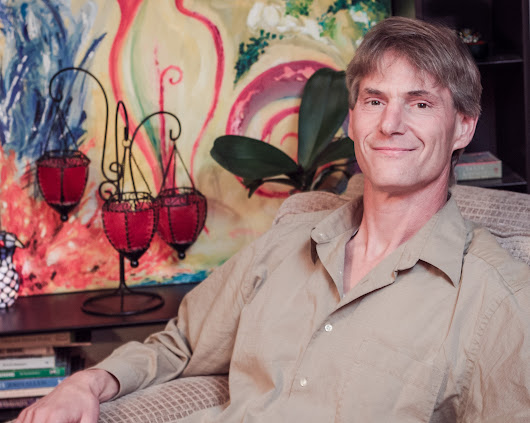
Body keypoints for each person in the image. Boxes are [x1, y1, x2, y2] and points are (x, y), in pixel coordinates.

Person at [16, 16, 530, 423]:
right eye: (375, 100)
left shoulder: (497, 298)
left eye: (420, 103)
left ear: (464, 127)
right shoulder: (288, 242)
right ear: (353, 121)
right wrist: (85, 384)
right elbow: (181, 345)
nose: (391, 124)